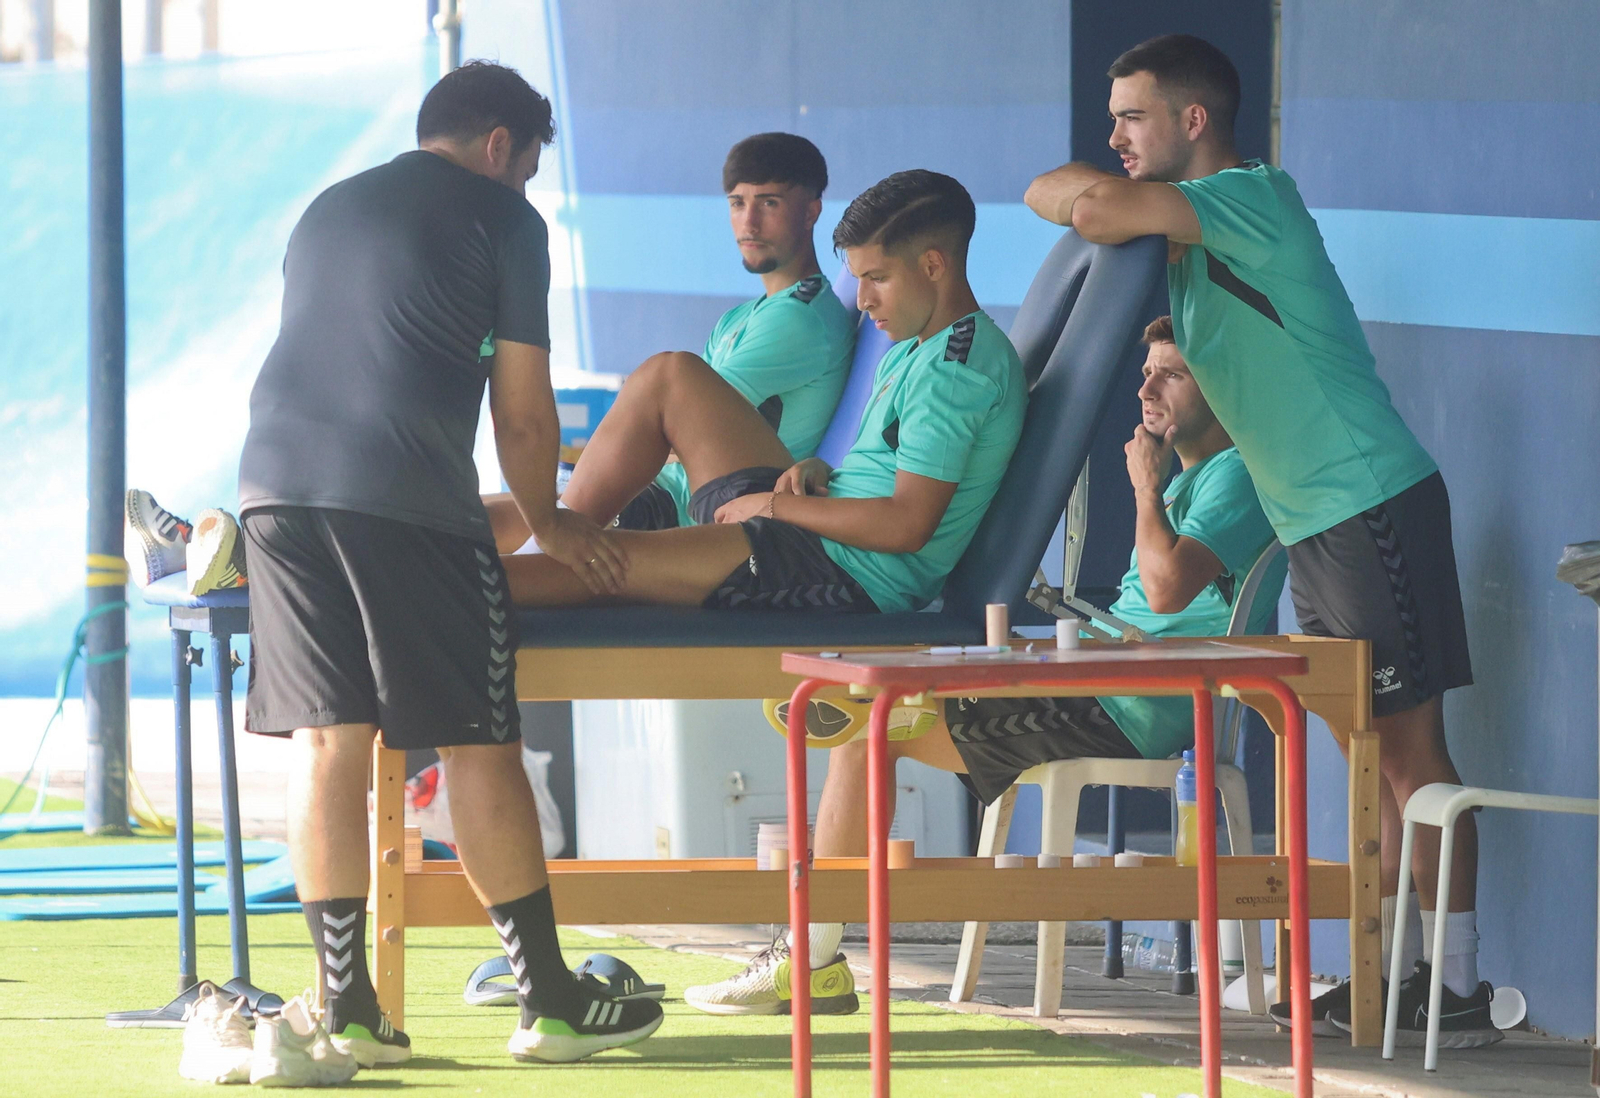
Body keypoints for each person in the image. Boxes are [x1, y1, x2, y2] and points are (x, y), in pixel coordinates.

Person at [1021, 34, 1491, 1044]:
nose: (1116, 136)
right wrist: (1082, 188)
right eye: (1112, 118)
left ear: (1193, 120)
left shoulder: (1251, 199)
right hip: (1314, 520)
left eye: (1134, 116)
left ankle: (1453, 985)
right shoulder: (1190, 236)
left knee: (1410, 756)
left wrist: (1086, 193)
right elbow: (1049, 190)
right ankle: (1386, 977)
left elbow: (1086, 206)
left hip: (1367, 501)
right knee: (1365, 754)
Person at [234, 61, 661, 1073]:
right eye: (528, 168)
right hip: (402, 499)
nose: (526, 187)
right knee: (478, 743)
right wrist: (553, 525)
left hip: (270, 494)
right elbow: (522, 413)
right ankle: (552, 1002)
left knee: (327, 743)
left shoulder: (328, 207)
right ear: (502, 146)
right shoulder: (506, 219)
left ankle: (348, 1011)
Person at [682, 315, 1287, 1015]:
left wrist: (1145, 490)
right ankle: (854, 738)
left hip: (1127, 709)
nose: (1147, 389)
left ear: (1223, 384)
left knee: (866, 734)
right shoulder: (1196, 477)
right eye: (1147, 372)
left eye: (1171, 375)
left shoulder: (1239, 475)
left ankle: (807, 961)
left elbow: (1164, 591)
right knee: (883, 708)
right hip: (1099, 685)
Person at [500, 169, 1026, 620]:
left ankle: (468, 590)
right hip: (819, 532)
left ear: (933, 265)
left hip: (847, 573)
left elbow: (907, 526)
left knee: (603, 562)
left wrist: (776, 507)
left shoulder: (956, 371)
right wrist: (821, 471)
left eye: (878, 278)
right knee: (670, 375)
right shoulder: (917, 346)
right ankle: (543, 537)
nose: (864, 300)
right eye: (859, 279)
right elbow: (888, 469)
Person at [485, 132, 855, 547]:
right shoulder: (743, 317)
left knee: (667, 373)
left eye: (769, 203)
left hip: (681, 510)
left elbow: (676, 428)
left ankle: (545, 551)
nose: (749, 223)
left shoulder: (801, 318)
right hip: (657, 490)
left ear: (811, 211)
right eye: (737, 203)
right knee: (475, 522)